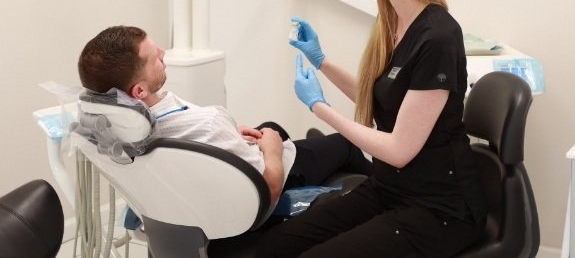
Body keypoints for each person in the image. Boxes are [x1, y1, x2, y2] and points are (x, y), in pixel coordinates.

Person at [255, 0, 487, 258]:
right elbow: (380, 97)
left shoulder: (438, 36)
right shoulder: (394, 23)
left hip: (440, 209)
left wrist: (319, 108)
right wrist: (322, 62)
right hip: (390, 189)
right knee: (274, 246)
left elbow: (398, 150)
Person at [77, 25, 371, 209]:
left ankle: (309, 150)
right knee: (345, 143)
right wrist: (272, 151)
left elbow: (195, 139)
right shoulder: (206, 126)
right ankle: (386, 196)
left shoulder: (122, 124)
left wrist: (229, 135)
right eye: (155, 57)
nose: (163, 53)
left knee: (271, 127)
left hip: (222, 160)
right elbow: (267, 190)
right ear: (139, 90)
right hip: (268, 182)